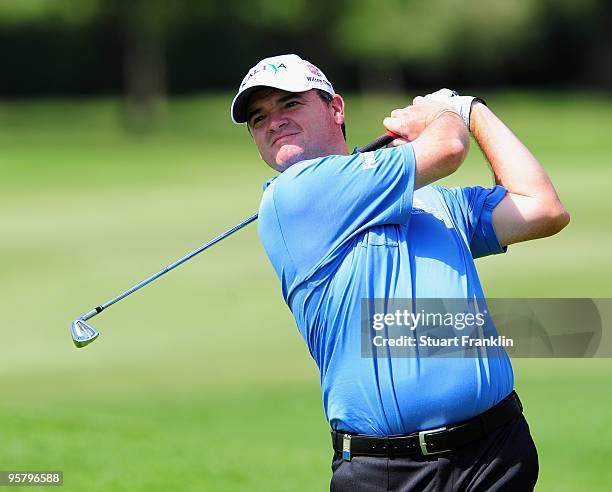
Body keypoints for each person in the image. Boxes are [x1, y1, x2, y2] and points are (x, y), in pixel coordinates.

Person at [230, 54, 569, 491]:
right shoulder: (293, 194)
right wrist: (447, 108)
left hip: (497, 455)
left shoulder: (435, 201)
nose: (273, 121)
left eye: (289, 104)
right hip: (388, 471)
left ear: (335, 108)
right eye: (259, 118)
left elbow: (543, 209)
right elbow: (448, 148)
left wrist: (474, 111)